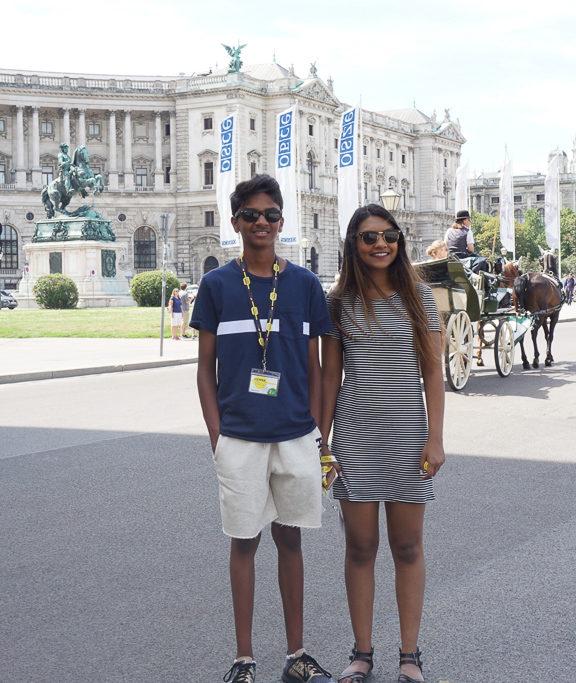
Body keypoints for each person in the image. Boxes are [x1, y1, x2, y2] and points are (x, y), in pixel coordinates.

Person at [190, 174, 334, 683]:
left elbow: (317, 367)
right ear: (235, 223)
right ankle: (244, 658)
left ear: (281, 221)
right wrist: (216, 435)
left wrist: (319, 432)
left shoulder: (305, 284)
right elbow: (204, 369)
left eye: (271, 214)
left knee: (291, 541)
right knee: (244, 542)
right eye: (251, 215)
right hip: (240, 438)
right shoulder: (216, 286)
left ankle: (297, 654)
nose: (262, 223)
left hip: (296, 435)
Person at [320, 204, 445, 683]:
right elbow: (331, 376)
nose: (380, 245)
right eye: (370, 237)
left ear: (399, 241)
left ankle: (409, 657)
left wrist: (435, 438)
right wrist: (323, 442)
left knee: (409, 546)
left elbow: (433, 371)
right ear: (354, 243)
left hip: (408, 436)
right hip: (354, 438)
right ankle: (362, 654)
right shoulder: (339, 302)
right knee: (360, 547)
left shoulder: (419, 296)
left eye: (388, 236)